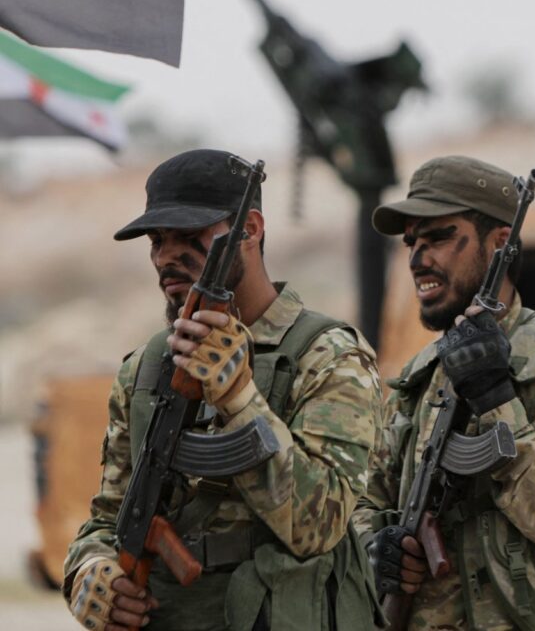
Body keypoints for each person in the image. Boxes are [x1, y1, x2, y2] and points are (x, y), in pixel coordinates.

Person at [63, 149, 382, 631]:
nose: (166, 256)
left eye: (189, 237)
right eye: (156, 241)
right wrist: (88, 571)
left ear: (249, 230)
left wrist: (239, 399)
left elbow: (321, 526)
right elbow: (108, 518)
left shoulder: (327, 355)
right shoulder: (146, 368)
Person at [353, 155, 535, 631]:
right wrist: (376, 545)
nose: (418, 259)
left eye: (438, 237)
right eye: (411, 242)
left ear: (500, 242)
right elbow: (366, 497)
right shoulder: (420, 375)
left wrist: (495, 397)